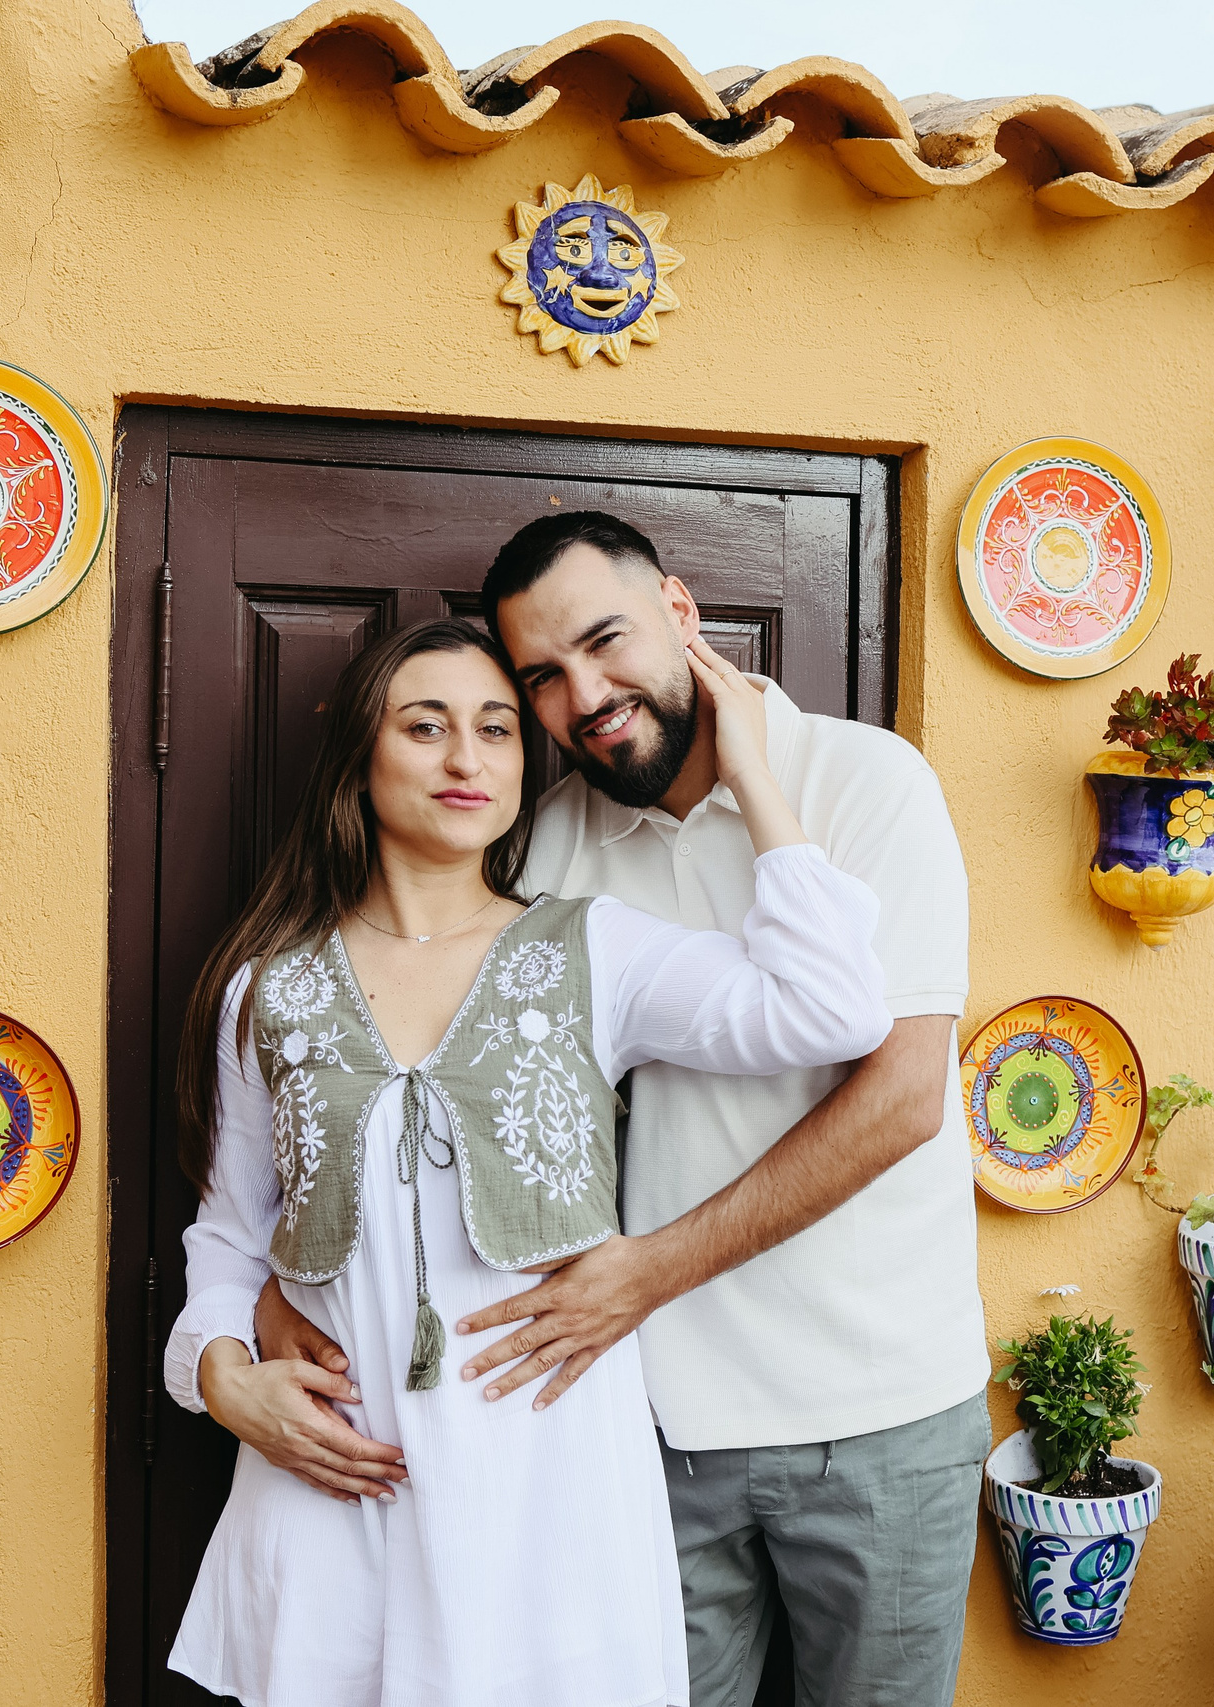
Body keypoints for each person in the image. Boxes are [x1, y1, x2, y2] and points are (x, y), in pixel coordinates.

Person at [261, 513, 988, 1707]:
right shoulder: (547, 845)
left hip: (879, 1413)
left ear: (683, 615)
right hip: (646, 1426)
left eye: (606, 643)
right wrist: (269, 1294)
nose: (585, 696)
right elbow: (435, 1099)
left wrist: (649, 1270)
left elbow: (901, 1096)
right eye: (542, 678)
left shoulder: (865, 780)